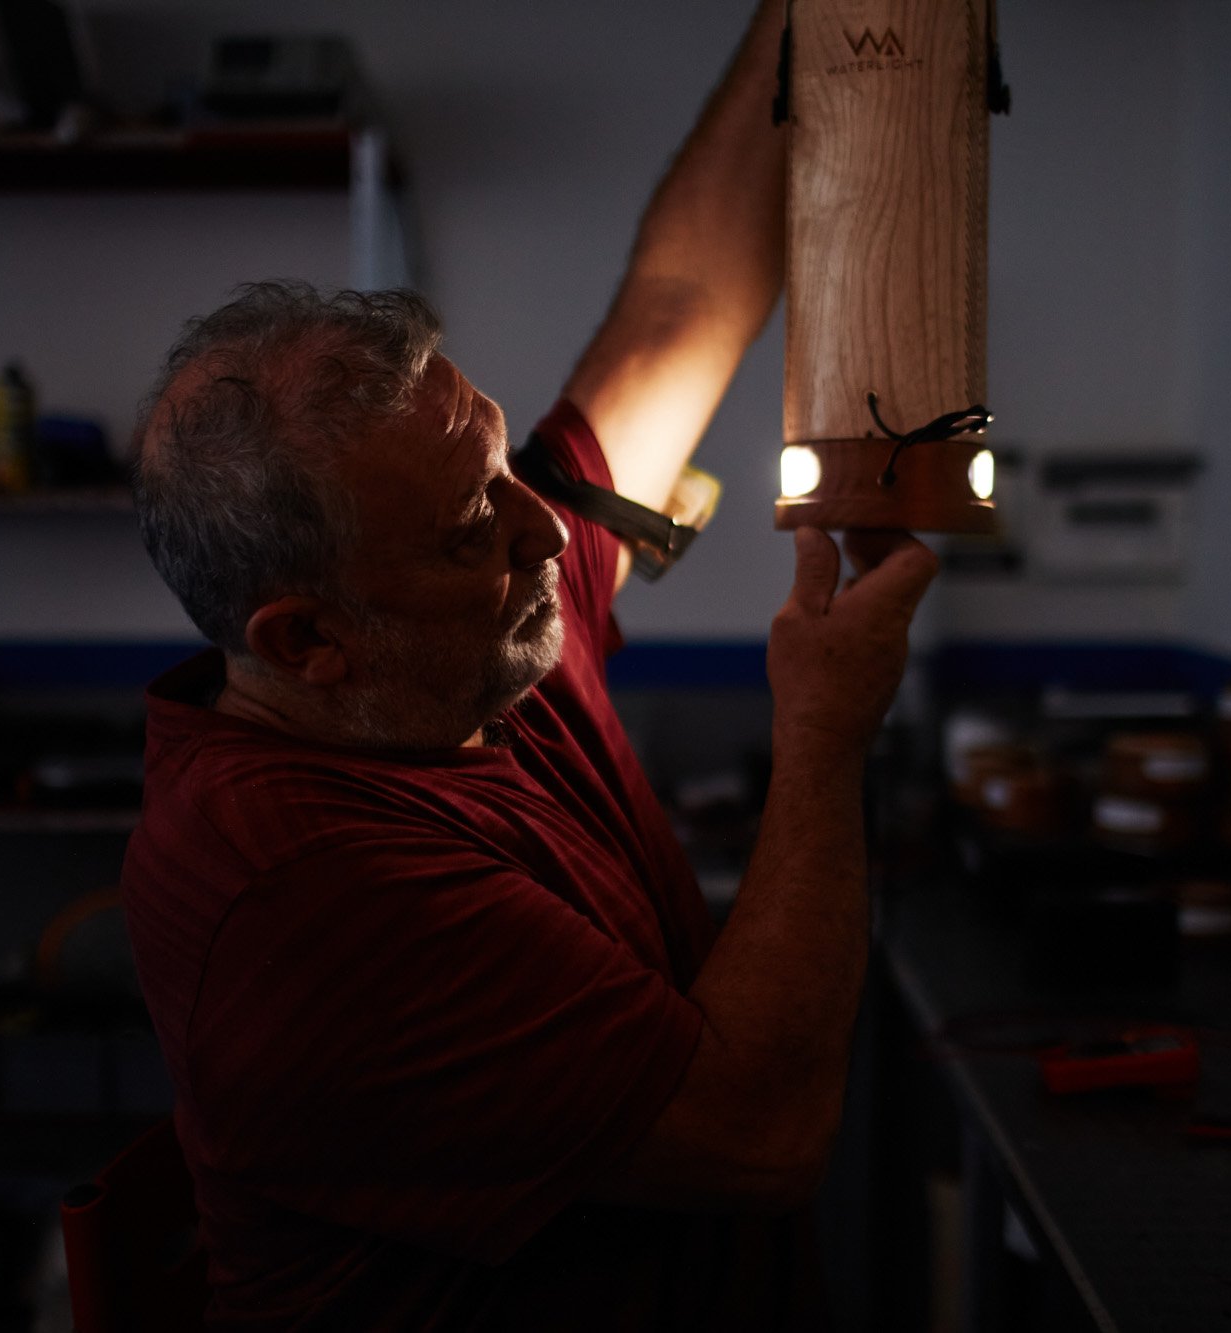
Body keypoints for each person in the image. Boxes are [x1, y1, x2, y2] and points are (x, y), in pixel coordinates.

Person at [120, 3, 938, 1327]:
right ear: (307, 640)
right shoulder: (307, 894)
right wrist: (826, 732)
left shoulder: (458, 656)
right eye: (471, 528)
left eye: (501, 468)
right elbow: (762, 1131)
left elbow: (682, 303)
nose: (547, 529)